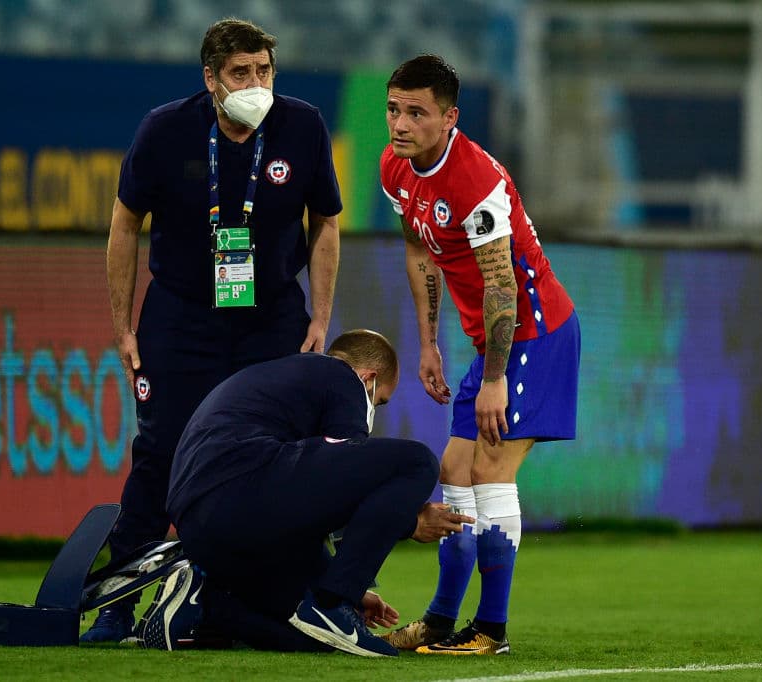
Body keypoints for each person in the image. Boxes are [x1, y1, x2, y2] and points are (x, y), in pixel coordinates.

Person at [85, 18, 343, 643]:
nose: (256, 84)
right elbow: (124, 224)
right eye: (240, 73)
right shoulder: (164, 129)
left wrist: (319, 316)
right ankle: (120, 603)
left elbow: (326, 223)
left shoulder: (303, 125)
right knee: (161, 453)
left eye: (264, 71)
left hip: (271, 317)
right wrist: (122, 326)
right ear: (211, 79)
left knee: (282, 456)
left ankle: (301, 600)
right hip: (181, 316)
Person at [378, 55, 581, 655]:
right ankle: (441, 622)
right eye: (393, 109)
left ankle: (491, 630)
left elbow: (502, 286)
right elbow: (420, 250)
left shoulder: (473, 180)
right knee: (454, 472)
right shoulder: (396, 167)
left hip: (534, 334)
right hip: (493, 343)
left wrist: (494, 379)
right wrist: (428, 343)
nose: (401, 124)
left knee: (490, 471)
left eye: (417, 113)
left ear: (449, 118)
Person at [136, 329, 472, 656]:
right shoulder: (341, 377)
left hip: (206, 523)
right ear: (368, 377)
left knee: (317, 637)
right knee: (418, 462)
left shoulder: (287, 386)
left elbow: (311, 506)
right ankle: (334, 603)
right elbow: (352, 488)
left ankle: (205, 606)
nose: (374, 408)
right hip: (238, 486)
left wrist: (334, 585)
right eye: (379, 401)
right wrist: (410, 524)